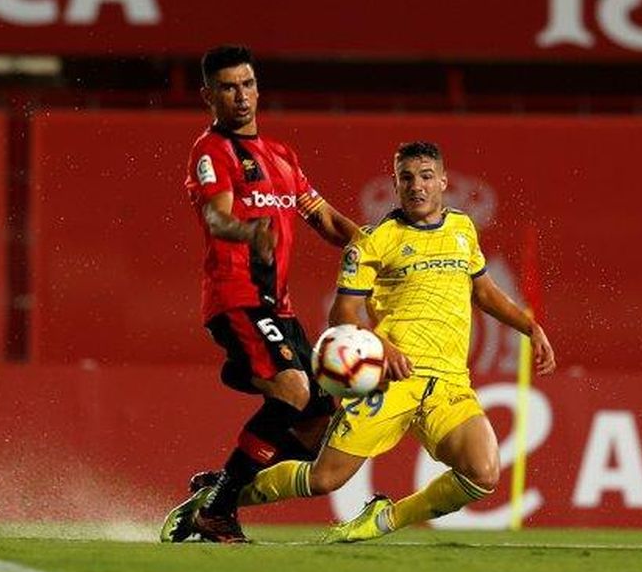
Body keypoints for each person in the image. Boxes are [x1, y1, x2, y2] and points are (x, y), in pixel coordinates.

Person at [207, 141, 556, 543]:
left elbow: (485, 292)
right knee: (323, 479)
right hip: (391, 381)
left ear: (442, 181)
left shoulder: (462, 229)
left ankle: (385, 519)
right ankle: (219, 498)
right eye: (406, 178)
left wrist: (528, 326)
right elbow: (344, 315)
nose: (417, 186)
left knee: (484, 472)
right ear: (395, 183)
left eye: (426, 177)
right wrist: (380, 345)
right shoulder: (374, 241)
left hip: (447, 384)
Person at [159, 45, 360, 544]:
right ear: (209, 96)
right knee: (293, 390)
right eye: (228, 87)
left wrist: (380, 247)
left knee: (317, 422)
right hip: (237, 298)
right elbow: (214, 215)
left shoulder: (283, 157)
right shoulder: (212, 150)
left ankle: (224, 485)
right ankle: (219, 512)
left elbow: (328, 220)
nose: (241, 96)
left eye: (247, 84)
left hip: (279, 309)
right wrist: (251, 233)